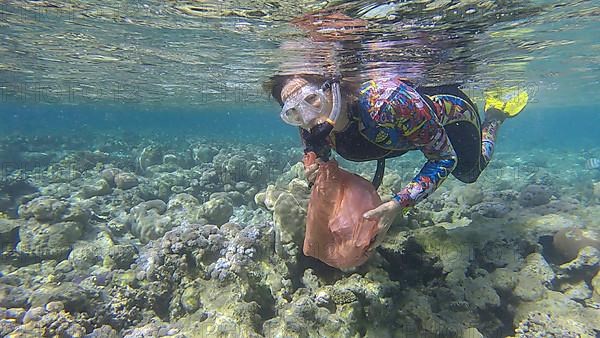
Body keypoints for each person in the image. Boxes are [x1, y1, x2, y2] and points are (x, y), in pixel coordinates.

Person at [269, 74, 528, 248]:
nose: (308, 116)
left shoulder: (387, 103)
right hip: (401, 138)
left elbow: (444, 157)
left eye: (312, 99)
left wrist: (400, 203)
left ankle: (494, 115)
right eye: (293, 112)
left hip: (451, 116)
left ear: (333, 88)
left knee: (469, 172)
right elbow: (318, 157)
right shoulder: (309, 124)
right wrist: (315, 167)